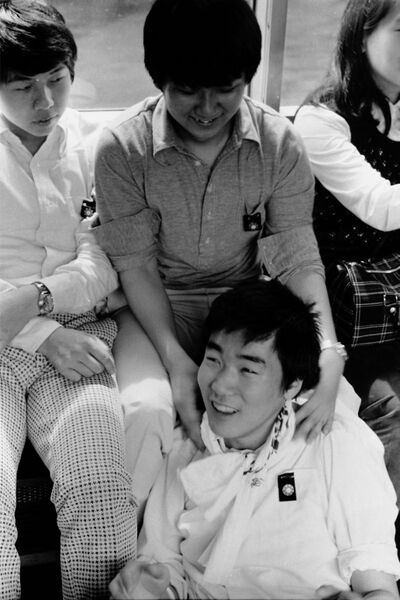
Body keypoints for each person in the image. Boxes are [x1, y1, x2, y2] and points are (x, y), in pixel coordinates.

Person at [93, 0, 352, 520]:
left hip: (242, 306)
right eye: (189, 89)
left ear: (246, 79)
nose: (208, 108)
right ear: (160, 80)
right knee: (145, 410)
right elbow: (136, 266)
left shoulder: (279, 143)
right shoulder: (122, 148)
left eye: (227, 89)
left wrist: (329, 349)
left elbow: (297, 257)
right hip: (153, 305)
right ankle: (136, 549)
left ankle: (302, 543)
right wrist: (176, 363)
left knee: (334, 404)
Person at [109, 279, 400, 600]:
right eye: (214, 360)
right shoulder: (184, 448)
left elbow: (380, 590)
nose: (220, 385)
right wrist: (148, 588)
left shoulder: (335, 444)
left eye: (247, 370)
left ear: (292, 385)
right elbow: (163, 567)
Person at [0, 1, 136, 598]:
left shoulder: (101, 145)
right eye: (23, 86)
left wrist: (33, 300)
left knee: (103, 500)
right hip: (9, 346)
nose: (46, 101)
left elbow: (102, 264)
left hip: (83, 337)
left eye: (56, 79)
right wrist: (42, 331)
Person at [294, 0, 400, 505]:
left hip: (394, 298)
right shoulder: (321, 119)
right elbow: (379, 206)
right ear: (362, 35)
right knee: (392, 414)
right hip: (342, 311)